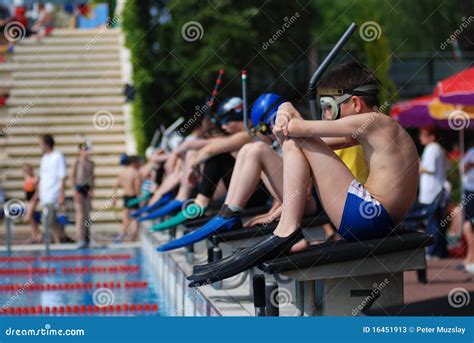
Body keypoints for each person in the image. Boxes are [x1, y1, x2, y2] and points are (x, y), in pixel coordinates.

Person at [187, 62, 420, 286]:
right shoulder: (373, 129)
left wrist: (286, 107)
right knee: (294, 143)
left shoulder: (374, 123)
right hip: (372, 218)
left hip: (368, 216)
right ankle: (286, 226)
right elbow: (304, 146)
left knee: (295, 140)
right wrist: (280, 206)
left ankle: (288, 229)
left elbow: (297, 130)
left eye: (330, 106)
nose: (328, 115)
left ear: (356, 103)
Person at [418, 126, 449, 259]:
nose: (421, 138)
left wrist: (418, 167)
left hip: (432, 192)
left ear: (432, 136)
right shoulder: (438, 149)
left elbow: (429, 168)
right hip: (436, 190)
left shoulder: (432, 149)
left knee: (433, 222)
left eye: (423, 135)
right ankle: (440, 251)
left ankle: (433, 251)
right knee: (437, 222)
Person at [38, 134, 72, 243]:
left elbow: (62, 177)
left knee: (48, 220)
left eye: (41, 144)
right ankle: (63, 239)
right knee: (53, 221)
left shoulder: (58, 157)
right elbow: (42, 178)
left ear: (46, 144)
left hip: (54, 193)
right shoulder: (44, 158)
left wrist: (62, 195)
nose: (40, 147)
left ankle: (57, 241)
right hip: (45, 194)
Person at [70, 142, 95, 249]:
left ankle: (87, 238)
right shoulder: (77, 162)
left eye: (87, 149)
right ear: (80, 151)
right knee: (80, 215)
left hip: (87, 188)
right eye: (84, 149)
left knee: (87, 215)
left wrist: (92, 190)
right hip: (79, 188)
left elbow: (93, 177)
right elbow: (72, 177)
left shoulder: (91, 163)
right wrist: (74, 190)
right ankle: (80, 239)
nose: (86, 151)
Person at [112, 155, 142, 242]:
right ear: (134, 163)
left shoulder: (122, 173)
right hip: (134, 197)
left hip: (126, 197)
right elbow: (137, 189)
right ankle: (133, 238)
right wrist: (140, 200)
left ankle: (120, 236)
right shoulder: (136, 173)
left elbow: (115, 186)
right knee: (134, 219)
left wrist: (114, 198)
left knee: (125, 219)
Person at [462, 141, 474, 274]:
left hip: (471, 191)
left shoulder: (471, 151)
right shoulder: (471, 151)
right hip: (469, 190)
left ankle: (471, 259)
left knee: (468, 226)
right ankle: (469, 258)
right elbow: (463, 168)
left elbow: (464, 167)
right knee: (469, 225)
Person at [22, 164, 41, 243]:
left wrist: (34, 199)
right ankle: (34, 235)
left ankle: (38, 234)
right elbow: (26, 191)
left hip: (34, 199)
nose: (26, 172)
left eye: (27, 170)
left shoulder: (36, 179)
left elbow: (38, 191)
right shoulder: (26, 178)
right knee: (31, 218)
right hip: (28, 199)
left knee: (28, 217)